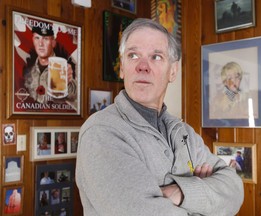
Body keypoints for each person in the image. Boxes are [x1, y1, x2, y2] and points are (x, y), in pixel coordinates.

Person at [76, 18, 244, 215]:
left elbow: (234, 190)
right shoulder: (102, 132)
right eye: (133, 55)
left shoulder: (184, 133)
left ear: (172, 71)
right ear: (122, 68)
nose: (142, 66)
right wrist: (204, 197)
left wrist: (181, 192)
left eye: (156, 57)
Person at [23, 23, 77, 104]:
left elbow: (74, 95)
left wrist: (67, 82)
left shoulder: (63, 68)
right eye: (37, 38)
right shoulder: (28, 72)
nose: (40, 44)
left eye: (45, 39)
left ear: (53, 43)